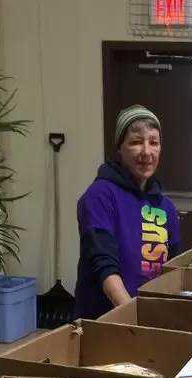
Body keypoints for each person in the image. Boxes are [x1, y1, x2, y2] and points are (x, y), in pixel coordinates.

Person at [75, 105, 181, 317]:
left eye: (154, 142)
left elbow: (174, 269)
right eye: (135, 142)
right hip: (105, 321)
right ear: (119, 147)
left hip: (150, 319)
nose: (146, 151)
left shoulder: (165, 207)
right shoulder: (100, 195)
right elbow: (103, 264)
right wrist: (131, 316)